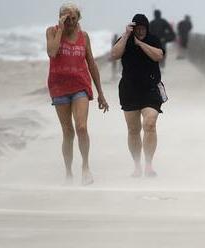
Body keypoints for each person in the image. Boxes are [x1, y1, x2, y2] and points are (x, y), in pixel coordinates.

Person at [46, 3, 109, 185]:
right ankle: (68, 173)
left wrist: (101, 93)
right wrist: (60, 28)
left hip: (80, 86)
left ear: (78, 18)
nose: (70, 22)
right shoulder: (52, 31)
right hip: (59, 87)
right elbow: (52, 52)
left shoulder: (84, 37)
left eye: (73, 18)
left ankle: (86, 167)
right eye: (67, 18)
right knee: (68, 132)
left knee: (81, 127)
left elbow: (92, 64)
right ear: (60, 17)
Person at [111, 14, 165, 178]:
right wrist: (127, 35)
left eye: (143, 28)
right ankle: (137, 166)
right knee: (133, 129)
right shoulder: (125, 39)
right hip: (129, 90)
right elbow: (114, 54)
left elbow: (159, 55)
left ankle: (148, 165)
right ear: (133, 28)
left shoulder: (153, 39)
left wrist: (140, 43)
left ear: (147, 28)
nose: (140, 31)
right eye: (137, 28)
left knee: (150, 123)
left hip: (150, 89)